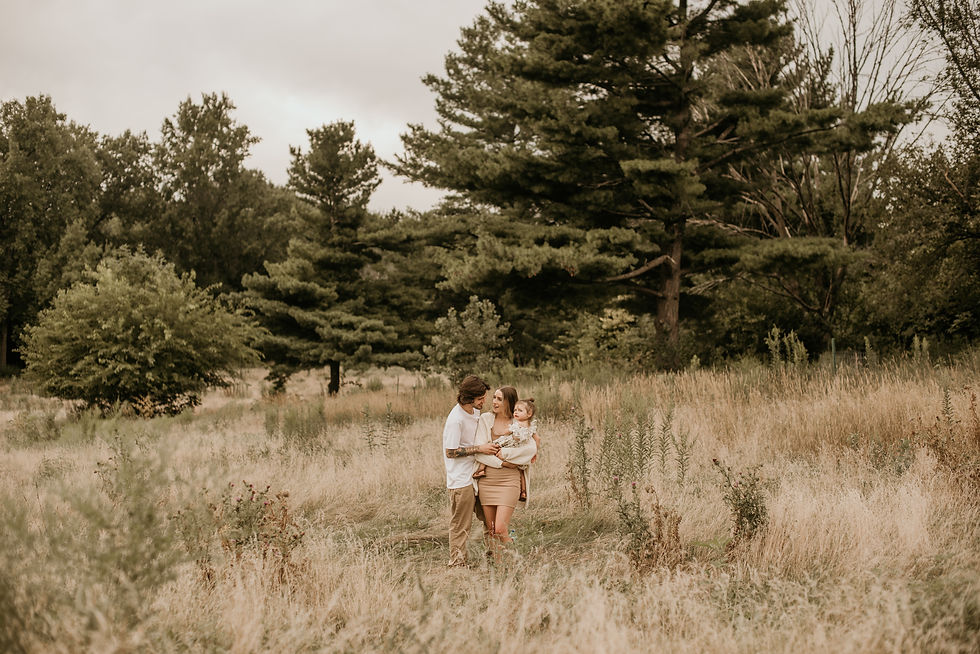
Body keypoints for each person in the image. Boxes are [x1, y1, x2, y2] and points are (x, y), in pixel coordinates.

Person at [443, 375, 500, 567]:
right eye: (481, 398)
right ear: (469, 398)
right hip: (461, 481)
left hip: (478, 474)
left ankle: (494, 556)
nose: (484, 401)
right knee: (461, 525)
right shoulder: (455, 420)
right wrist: (479, 449)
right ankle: (457, 563)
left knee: (490, 518)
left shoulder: (476, 412)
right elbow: (450, 452)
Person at [472, 387, 537, 557]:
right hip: (487, 481)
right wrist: (503, 463)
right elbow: (480, 452)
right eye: (494, 397)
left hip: (509, 481)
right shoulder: (485, 419)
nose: (494, 402)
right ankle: (500, 568)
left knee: (500, 528)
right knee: (492, 529)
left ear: (509, 402)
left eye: (499, 399)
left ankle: (517, 549)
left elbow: (529, 451)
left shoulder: (519, 422)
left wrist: (506, 456)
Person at [473, 397, 539, 502]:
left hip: (511, 446)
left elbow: (535, 441)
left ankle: (523, 490)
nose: (516, 412)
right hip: (509, 447)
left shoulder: (518, 424)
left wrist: (534, 453)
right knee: (491, 448)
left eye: (519, 410)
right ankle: (481, 469)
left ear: (529, 414)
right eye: (515, 410)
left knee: (520, 468)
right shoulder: (525, 425)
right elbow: (537, 439)